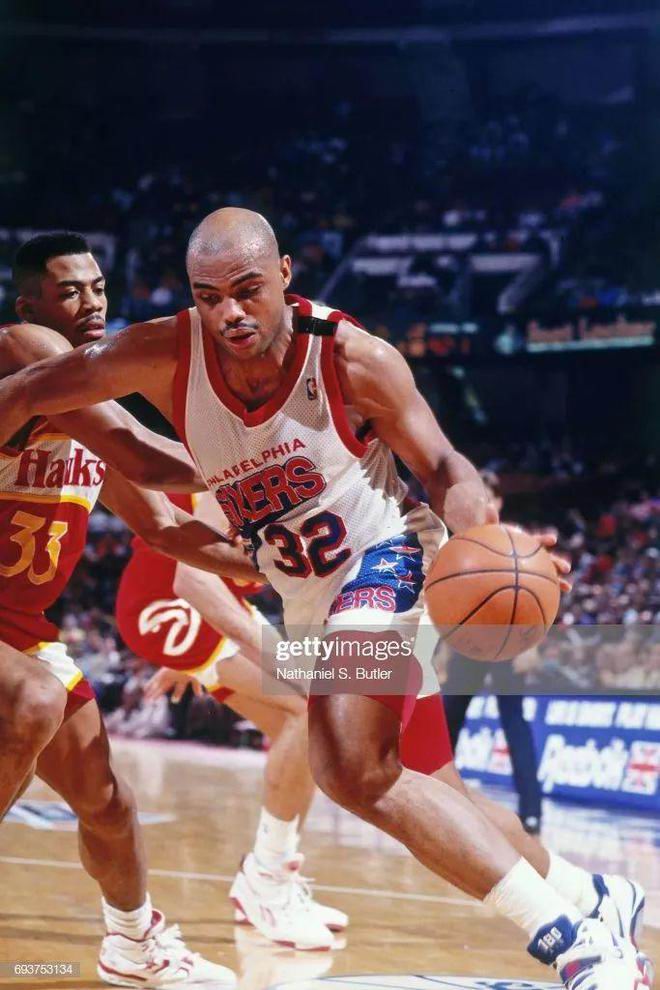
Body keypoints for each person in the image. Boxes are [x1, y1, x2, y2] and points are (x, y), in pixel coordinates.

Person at [0, 212, 651, 990]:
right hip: (309, 596)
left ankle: (578, 945)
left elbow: (444, 464)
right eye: (210, 297)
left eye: (248, 290)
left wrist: (482, 531)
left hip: (386, 562)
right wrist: (243, 523)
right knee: (421, 780)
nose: (230, 313)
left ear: (285, 273)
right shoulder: (161, 351)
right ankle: (594, 897)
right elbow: (38, 395)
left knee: (345, 762)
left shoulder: (350, 357)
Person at [0, 232, 251, 988]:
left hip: (20, 627)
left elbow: (166, 527)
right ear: (30, 306)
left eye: (99, 287)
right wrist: (278, 459)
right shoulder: (23, 350)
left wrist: (279, 562)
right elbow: (143, 451)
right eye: (69, 290)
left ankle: (135, 946)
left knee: (106, 801)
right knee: (34, 699)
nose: (91, 302)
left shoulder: (86, 412)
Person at [116, 488, 347, 950]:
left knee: (302, 731)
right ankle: (266, 879)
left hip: (210, 598)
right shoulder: (229, 466)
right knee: (308, 709)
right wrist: (282, 661)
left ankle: (270, 878)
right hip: (174, 601)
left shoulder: (297, 471)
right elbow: (191, 579)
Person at [442, 470, 544, 834]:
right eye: (477, 498)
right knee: (448, 718)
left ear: (499, 501)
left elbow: (540, 596)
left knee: (514, 722)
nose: (482, 504)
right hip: (470, 641)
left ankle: (531, 811)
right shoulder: (458, 545)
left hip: (511, 641)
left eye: (488, 496)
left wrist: (533, 644)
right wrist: (443, 650)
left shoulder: (517, 540)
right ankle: (441, 798)